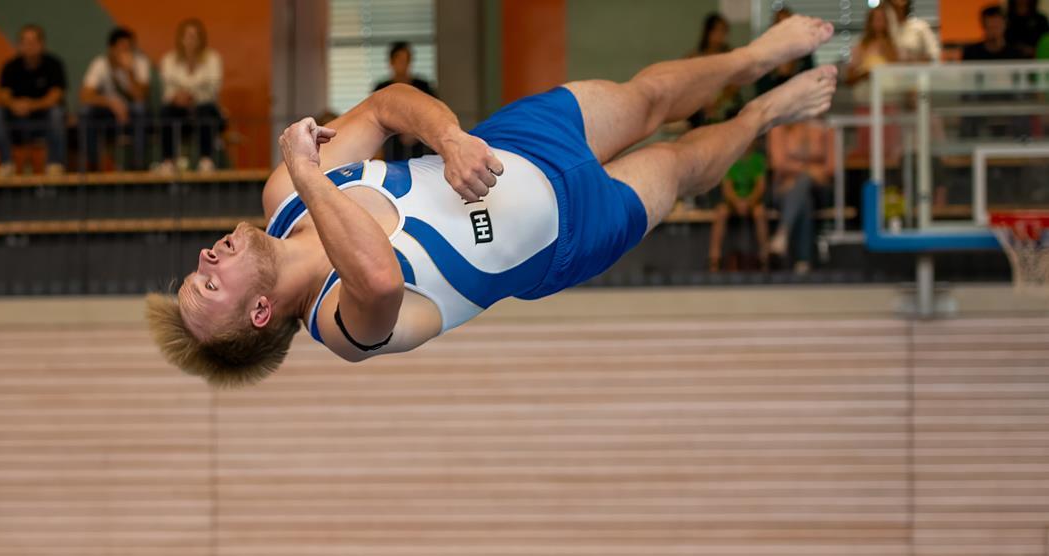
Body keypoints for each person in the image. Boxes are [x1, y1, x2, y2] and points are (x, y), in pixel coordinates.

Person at [145, 14, 838, 385]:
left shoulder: (286, 195)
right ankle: (762, 116)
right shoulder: (342, 324)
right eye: (209, 283)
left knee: (647, 97)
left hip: (509, 144)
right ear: (261, 312)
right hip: (569, 233)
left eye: (197, 267)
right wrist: (310, 173)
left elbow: (388, 106)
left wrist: (448, 137)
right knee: (680, 165)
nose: (207, 255)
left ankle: (751, 59)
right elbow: (380, 276)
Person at [0, 23, 67, 177]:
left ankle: (54, 164)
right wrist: (14, 104)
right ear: (19, 45)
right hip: (17, 120)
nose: (29, 46)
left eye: (34, 42)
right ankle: (6, 163)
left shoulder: (53, 65)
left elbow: (56, 95)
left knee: (57, 113)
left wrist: (32, 105)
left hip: (43, 120)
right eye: (25, 42)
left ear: (42, 44)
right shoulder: (11, 67)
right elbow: (2, 95)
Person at [767, 120, 834, 274]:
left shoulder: (825, 128)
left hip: (820, 190)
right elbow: (780, 165)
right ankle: (803, 262)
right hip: (784, 190)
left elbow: (830, 168)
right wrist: (812, 169)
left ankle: (782, 234)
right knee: (804, 200)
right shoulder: (779, 128)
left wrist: (802, 172)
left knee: (803, 182)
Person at [159, 18, 224, 174]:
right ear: (180, 38)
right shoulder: (169, 60)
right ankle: (168, 161)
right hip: (178, 109)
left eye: (195, 36)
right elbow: (167, 90)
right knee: (166, 112)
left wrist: (191, 95)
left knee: (207, 112)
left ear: (202, 39)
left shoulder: (213, 59)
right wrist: (178, 97)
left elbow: (214, 87)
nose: (191, 40)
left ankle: (206, 161)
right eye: (187, 35)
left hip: (203, 106)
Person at [80, 27, 150, 171]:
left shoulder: (140, 63)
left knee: (140, 109)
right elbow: (85, 95)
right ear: (111, 49)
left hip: (131, 114)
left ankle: (138, 166)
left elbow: (141, 97)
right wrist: (111, 103)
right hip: (107, 113)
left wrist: (129, 72)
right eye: (121, 47)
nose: (125, 52)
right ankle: (93, 165)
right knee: (86, 112)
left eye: (129, 48)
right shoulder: (100, 64)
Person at [708, 143, 769, 272]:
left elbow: (760, 187)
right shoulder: (730, 159)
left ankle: (765, 257)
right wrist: (737, 202)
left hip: (753, 201)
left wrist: (749, 202)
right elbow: (727, 189)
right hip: (732, 202)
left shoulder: (758, 159)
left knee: (760, 212)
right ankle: (714, 258)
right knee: (721, 212)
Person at [372, 42, 436, 162]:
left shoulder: (423, 86)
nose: (404, 64)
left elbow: (433, 114)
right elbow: (375, 118)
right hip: (391, 144)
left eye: (407, 60)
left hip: (420, 143)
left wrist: (415, 130)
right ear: (391, 62)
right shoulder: (382, 88)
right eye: (400, 60)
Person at [689, 13, 744, 128]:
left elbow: (736, 84)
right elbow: (688, 84)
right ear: (708, 32)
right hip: (700, 103)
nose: (720, 35)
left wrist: (718, 101)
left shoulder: (731, 55)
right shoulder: (694, 57)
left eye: (724, 31)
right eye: (717, 31)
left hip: (725, 102)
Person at [756, 6, 816, 95]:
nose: (784, 30)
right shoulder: (763, 53)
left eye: (788, 25)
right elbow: (761, 89)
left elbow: (811, 83)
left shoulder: (805, 52)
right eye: (780, 24)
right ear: (773, 28)